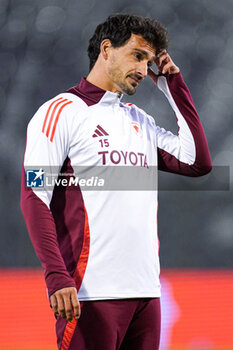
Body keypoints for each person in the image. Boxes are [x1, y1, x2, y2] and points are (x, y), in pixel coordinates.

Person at [21, 14, 212, 350]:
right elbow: (34, 197)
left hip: (146, 295)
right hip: (88, 293)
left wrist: (174, 86)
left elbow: (198, 163)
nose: (143, 69)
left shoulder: (140, 121)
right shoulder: (61, 111)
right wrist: (56, 277)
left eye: (149, 62)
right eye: (137, 56)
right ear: (106, 49)